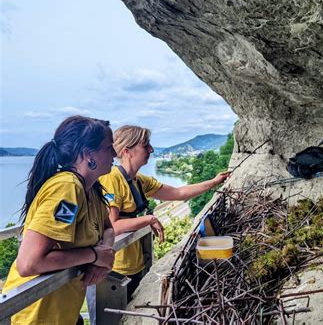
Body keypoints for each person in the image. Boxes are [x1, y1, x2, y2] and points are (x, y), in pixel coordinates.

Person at [2, 116, 117, 325]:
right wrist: (93, 255)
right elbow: (29, 263)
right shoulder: (67, 188)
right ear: (88, 154)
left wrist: (103, 256)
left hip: (66, 313)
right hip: (37, 315)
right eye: (109, 148)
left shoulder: (91, 190)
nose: (115, 154)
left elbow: (109, 228)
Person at [99, 125, 230, 300]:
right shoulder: (111, 179)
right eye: (145, 145)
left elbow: (178, 193)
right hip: (115, 269)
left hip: (134, 265)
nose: (151, 149)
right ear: (127, 151)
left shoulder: (137, 180)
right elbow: (113, 225)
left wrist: (214, 182)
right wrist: (149, 219)